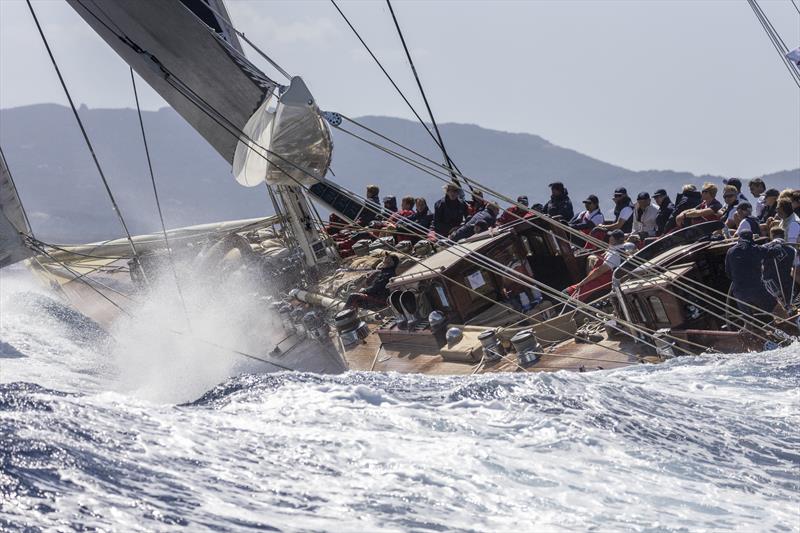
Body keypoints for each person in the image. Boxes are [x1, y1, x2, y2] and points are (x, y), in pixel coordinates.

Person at [565, 229, 627, 303]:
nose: (610, 238)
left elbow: (599, 271)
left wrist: (581, 283)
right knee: (568, 292)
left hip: (602, 285)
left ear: (614, 239)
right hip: (597, 281)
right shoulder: (619, 249)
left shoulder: (615, 254)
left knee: (568, 295)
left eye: (612, 237)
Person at [724, 230, 775, 316]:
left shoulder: (730, 251)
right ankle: (789, 325)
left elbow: (728, 273)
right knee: (777, 309)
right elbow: (773, 252)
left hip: (739, 292)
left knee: (747, 318)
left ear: (739, 238)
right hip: (756, 288)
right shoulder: (756, 248)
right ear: (752, 238)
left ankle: (748, 326)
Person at [762, 227, 797, 309]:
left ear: (772, 236)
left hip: (770, 284)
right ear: (784, 236)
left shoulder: (764, 248)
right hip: (786, 284)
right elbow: (795, 268)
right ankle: (789, 306)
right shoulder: (792, 250)